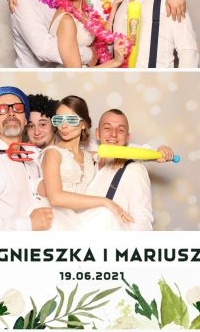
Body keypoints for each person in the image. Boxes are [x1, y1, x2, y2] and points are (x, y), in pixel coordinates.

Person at [37, 96, 132, 231]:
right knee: (105, 213)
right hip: (55, 218)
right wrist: (105, 201)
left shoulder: (89, 156)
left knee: (106, 217)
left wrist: (156, 154)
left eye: (71, 120)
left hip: (79, 218)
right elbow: (55, 198)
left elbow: (120, 149)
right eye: (58, 120)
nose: (63, 126)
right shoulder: (53, 153)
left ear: (83, 124)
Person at [0, 87, 52, 230]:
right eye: (2, 109)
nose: (11, 113)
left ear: (25, 119)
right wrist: (29, 224)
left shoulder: (32, 158)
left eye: (18, 108)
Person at [49, 0, 128, 68]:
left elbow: (103, 37)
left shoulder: (85, 12)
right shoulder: (66, 20)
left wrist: (114, 6)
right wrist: (115, 62)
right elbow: (75, 74)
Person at [85, 109, 156, 230]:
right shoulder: (86, 163)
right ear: (97, 133)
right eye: (107, 128)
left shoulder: (134, 169)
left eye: (120, 130)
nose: (114, 134)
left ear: (127, 137)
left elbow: (142, 222)